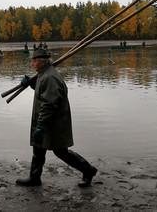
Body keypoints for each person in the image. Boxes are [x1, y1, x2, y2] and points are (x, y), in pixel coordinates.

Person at [16, 49, 98, 188]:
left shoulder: (50, 77)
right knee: (38, 148)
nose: (32, 64)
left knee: (61, 151)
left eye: (34, 61)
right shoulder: (44, 74)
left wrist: (41, 126)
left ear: (41, 62)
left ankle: (88, 170)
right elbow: (43, 92)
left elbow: (49, 103)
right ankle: (34, 178)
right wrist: (30, 84)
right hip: (47, 120)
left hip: (54, 122)